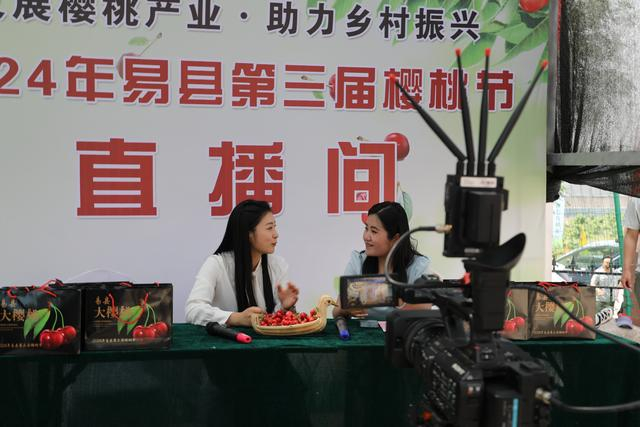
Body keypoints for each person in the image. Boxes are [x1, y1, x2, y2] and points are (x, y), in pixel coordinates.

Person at [185, 199, 299, 327]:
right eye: (269, 228)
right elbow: (193, 309)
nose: (276, 234)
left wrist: (285, 308)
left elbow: (273, 321)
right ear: (248, 233)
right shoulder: (217, 264)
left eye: (275, 227)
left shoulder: (278, 265)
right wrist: (236, 318)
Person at [333, 201, 431, 320]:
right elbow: (336, 311)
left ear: (396, 238)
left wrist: (386, 294)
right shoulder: (358, 261)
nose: (366, 237)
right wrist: (347, 309)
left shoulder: (418, 265)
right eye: (366, 229)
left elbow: (424, 308)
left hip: (402, 331)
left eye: (374, 231)